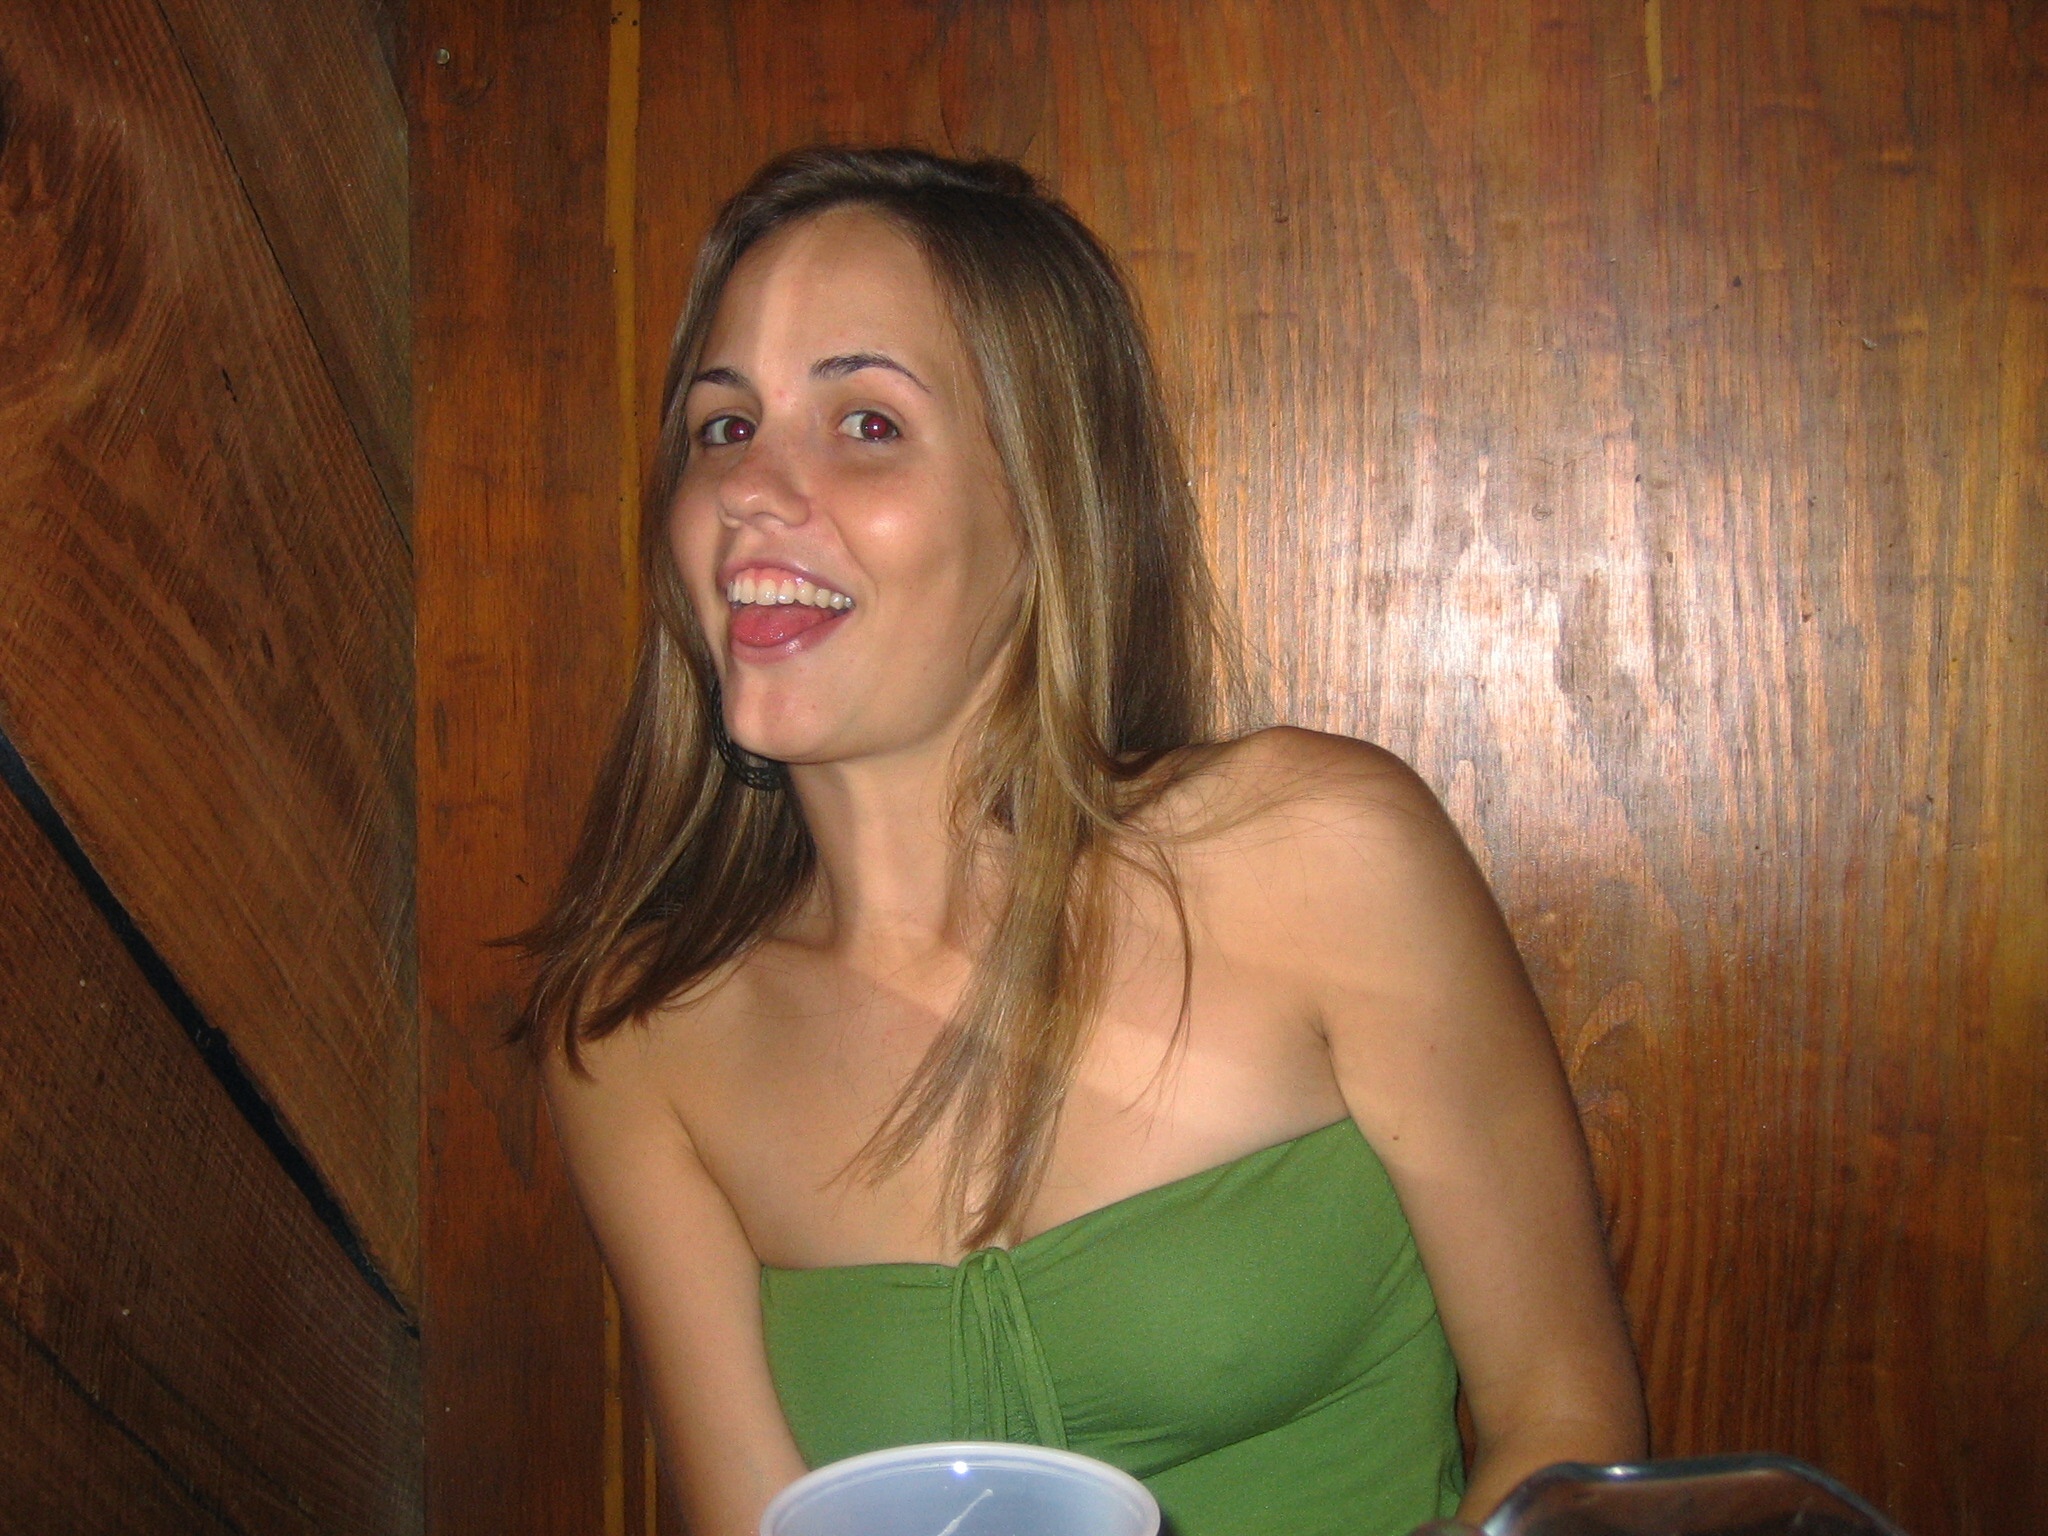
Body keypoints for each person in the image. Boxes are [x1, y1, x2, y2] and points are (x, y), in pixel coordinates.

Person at [518, 146, 1646, 1536]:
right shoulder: (638, 1035)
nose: (753, 486)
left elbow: (1565, 1427)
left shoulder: (1321, 860)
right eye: (723, 425)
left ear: (1043, 503)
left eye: (866, 422)